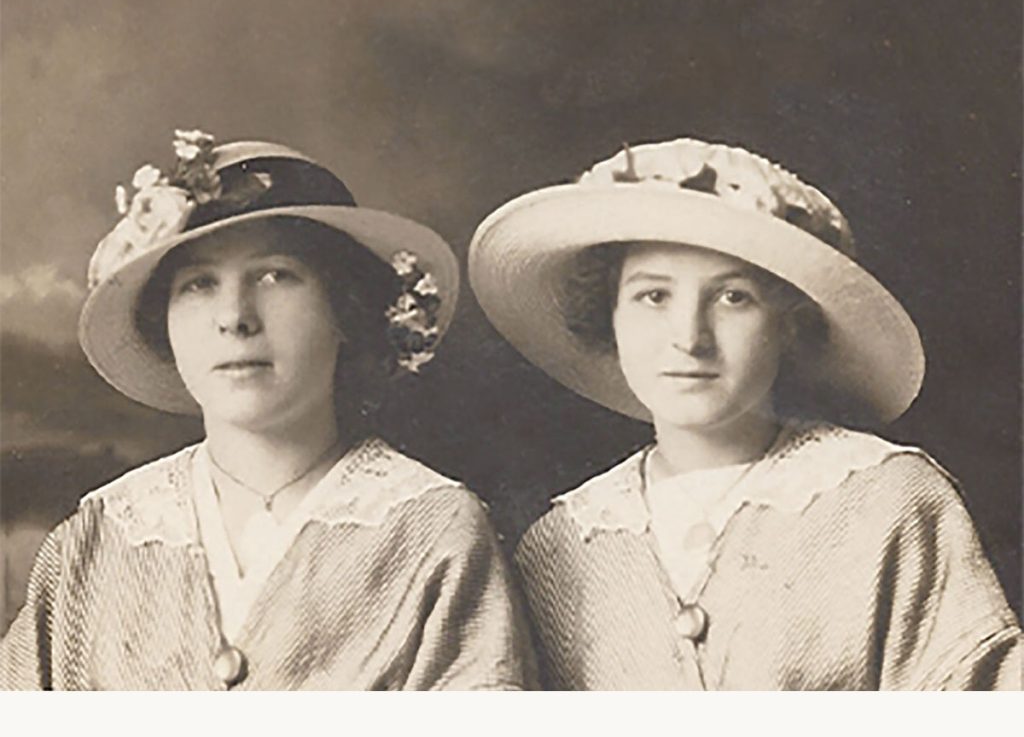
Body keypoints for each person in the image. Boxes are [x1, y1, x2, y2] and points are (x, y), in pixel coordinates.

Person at [468, 137, 1021, 690]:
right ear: (608, 315)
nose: (689, 338)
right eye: (653, 296)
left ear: (790, 322)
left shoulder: (890, 501)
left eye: (733, 297)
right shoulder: (562, 542)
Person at [1, 131, 536, 690]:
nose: (234, 317)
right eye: (199, 284)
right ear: (166, 322)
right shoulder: (98, 536)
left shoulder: (433, 530)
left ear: (344, 308)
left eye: (275, 275)